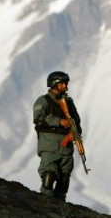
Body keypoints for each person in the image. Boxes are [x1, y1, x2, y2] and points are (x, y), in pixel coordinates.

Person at [32, 71, 82, 201]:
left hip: (66, 147)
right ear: (54, 84)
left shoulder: (68, 102)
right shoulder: (43, 101)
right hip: (50, 145)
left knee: (65, 177)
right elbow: (38, 119)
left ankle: (60, 206)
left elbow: (76, 121)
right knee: (49, 174)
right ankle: (45, 202)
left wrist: (75, 133)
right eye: (62, 83)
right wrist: (58, 121)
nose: (65, 85)